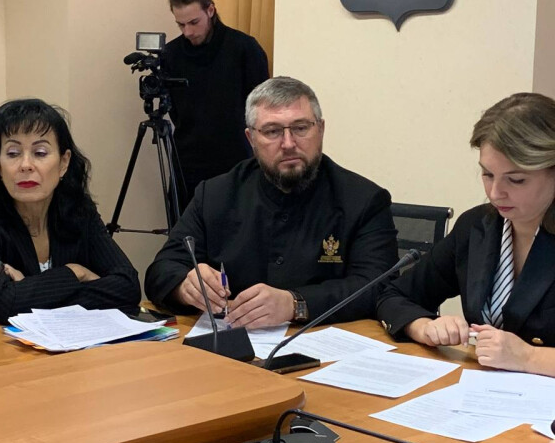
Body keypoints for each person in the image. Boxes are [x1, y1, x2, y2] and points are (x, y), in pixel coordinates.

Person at [145, 77, 398, 328]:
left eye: (301, 128)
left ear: (320, 129)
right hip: (232, 341)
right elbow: (162, 269)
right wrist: (185, 286)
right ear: (251, 138)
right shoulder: (214, 194)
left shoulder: (364, 200)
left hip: (326, 341)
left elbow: (379, 285)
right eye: (272, 131)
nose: (288, 144)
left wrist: (296, 303)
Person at [377, 92, 555, 376]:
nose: (495, 193)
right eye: (488, 175)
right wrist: (425, 326)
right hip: (481, 389)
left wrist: (529, 357)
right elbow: (395, 295)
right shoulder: (477, 226)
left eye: (516, 179)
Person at [0, 99, 141, 323]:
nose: (25, 165)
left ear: (63, 163)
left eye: (40, 152)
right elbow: (1, 305)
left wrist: (27, 290)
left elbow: (128, 287)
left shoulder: (80, 213)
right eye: (13, 153)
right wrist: (75, 273)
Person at [163, 0, 270, 211]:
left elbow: (262, 107)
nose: (188, 32)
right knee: (187, 227)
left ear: (210, 10)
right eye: (181, 25)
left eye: (194, 22)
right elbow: (175, 111)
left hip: (236, 160)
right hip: (187, 162)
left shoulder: (244, 48)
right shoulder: (171, 54)